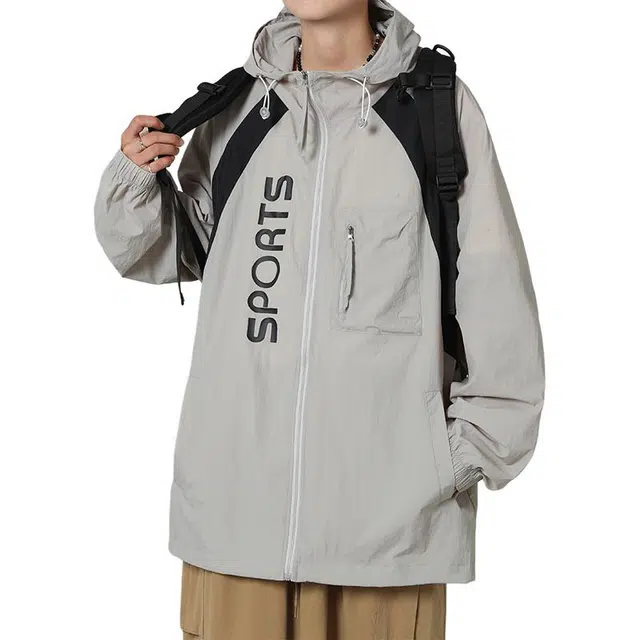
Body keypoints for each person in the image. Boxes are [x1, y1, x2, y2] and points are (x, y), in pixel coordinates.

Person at [93, 0, 545, 638]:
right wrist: (136, 181)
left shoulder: (434, 106)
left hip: (388, 536)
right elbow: (171, 252)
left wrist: (456, 460)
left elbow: (495, 294)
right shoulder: (239, 107)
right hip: (234, 519)